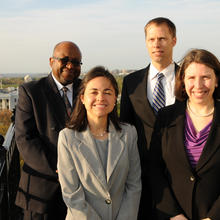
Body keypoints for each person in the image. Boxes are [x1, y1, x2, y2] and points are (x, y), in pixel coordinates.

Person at [57, 66, 142, 220]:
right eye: (94, 92)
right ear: (82, 98)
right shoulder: (67, 138)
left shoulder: (129, 133)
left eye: (107, 92)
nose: (101, 98)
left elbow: (134, 185)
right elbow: (71, 194)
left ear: (115, 98)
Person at [15, 41, 82, 220]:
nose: (70, 65)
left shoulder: (88, 91)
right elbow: (25, 139)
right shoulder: (31, 91)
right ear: (51, 61)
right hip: (42, 193)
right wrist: (61, 169)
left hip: (83, 193)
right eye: (65, 60)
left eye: (76, 62)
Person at [150, 49, 220, 220]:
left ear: (217, 80)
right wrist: (174, 214)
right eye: (191, 78)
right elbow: (153, 168)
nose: (198, 85)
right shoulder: (166, 117)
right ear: (182, 81)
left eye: (206, 77)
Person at [120, 17, 178, 218]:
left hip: (180, 177)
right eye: (151, 39)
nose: (156, 44)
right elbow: (124, 129)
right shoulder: (131, 83)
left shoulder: (189, 80)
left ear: (174, 40)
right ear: (146, 43)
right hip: (141, 180)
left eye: (162, 38)